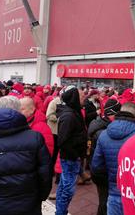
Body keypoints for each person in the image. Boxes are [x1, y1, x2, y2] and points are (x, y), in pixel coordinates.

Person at [0, 96, 52, 215]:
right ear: (18, 111)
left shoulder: (34, 136)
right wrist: (40, 197)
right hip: (28, 202)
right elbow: (45, 173)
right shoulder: (34, 137)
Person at [92, 102, 135, 215]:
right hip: (134, 194)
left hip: (113, 191)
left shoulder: (104, 134)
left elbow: (96, 166)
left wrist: (108, 181)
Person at [55, 86, 87, 215]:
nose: (85, 96)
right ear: (74, 98)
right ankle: (61, 212)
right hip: (70, 158)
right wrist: (76, 155)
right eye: (81, 95)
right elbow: (63, 141)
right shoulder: (69, 116)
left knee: (64, 186)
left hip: (73, 157)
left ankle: (59, 210)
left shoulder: (75, 112)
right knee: (68, 190)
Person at [88, 98, 121, 215]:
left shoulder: (95, 124)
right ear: (111, 113)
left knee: (103, 200)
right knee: (104, 201)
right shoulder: (104, 131)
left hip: (96, 169)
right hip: (103, 173)